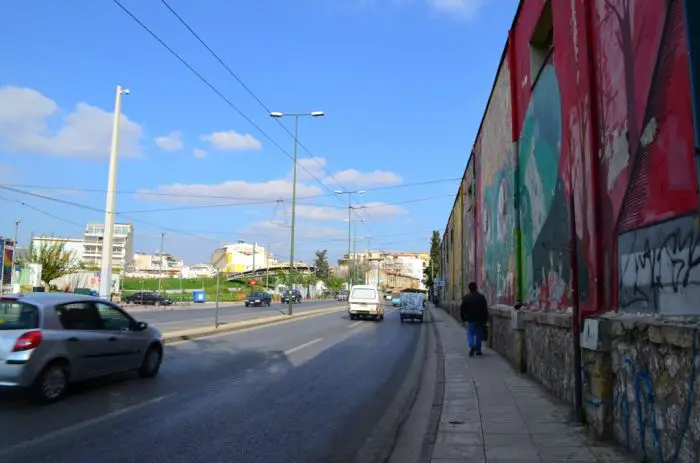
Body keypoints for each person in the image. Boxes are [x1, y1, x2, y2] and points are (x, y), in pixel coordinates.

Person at [459, 282, 489, 357]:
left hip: (470, 319)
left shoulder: (466, 298)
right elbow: (485, 309)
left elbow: (462, 309)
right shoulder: (481, 297)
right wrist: (485, 319)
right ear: (476, 288)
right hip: (480, 319)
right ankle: (478, 351)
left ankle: (472, 346)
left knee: (470, 334)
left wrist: (462, 318)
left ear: (469, 288)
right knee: (479, 334)